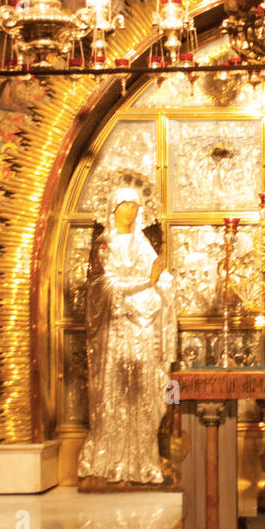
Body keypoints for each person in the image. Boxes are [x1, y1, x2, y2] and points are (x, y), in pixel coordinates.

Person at [78, 185, 176, 486]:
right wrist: (143, 285)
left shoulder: (143, 244)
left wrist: (163, 284)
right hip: (115, 334)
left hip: (143, 331)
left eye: (136, 206)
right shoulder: (103, 245)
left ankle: (143, 461)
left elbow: (161, 278)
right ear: (113, 208)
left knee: (144, 395)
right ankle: (110, 461)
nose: (131, 211)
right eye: (125, 205)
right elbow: (102, 288)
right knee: (116, 396)